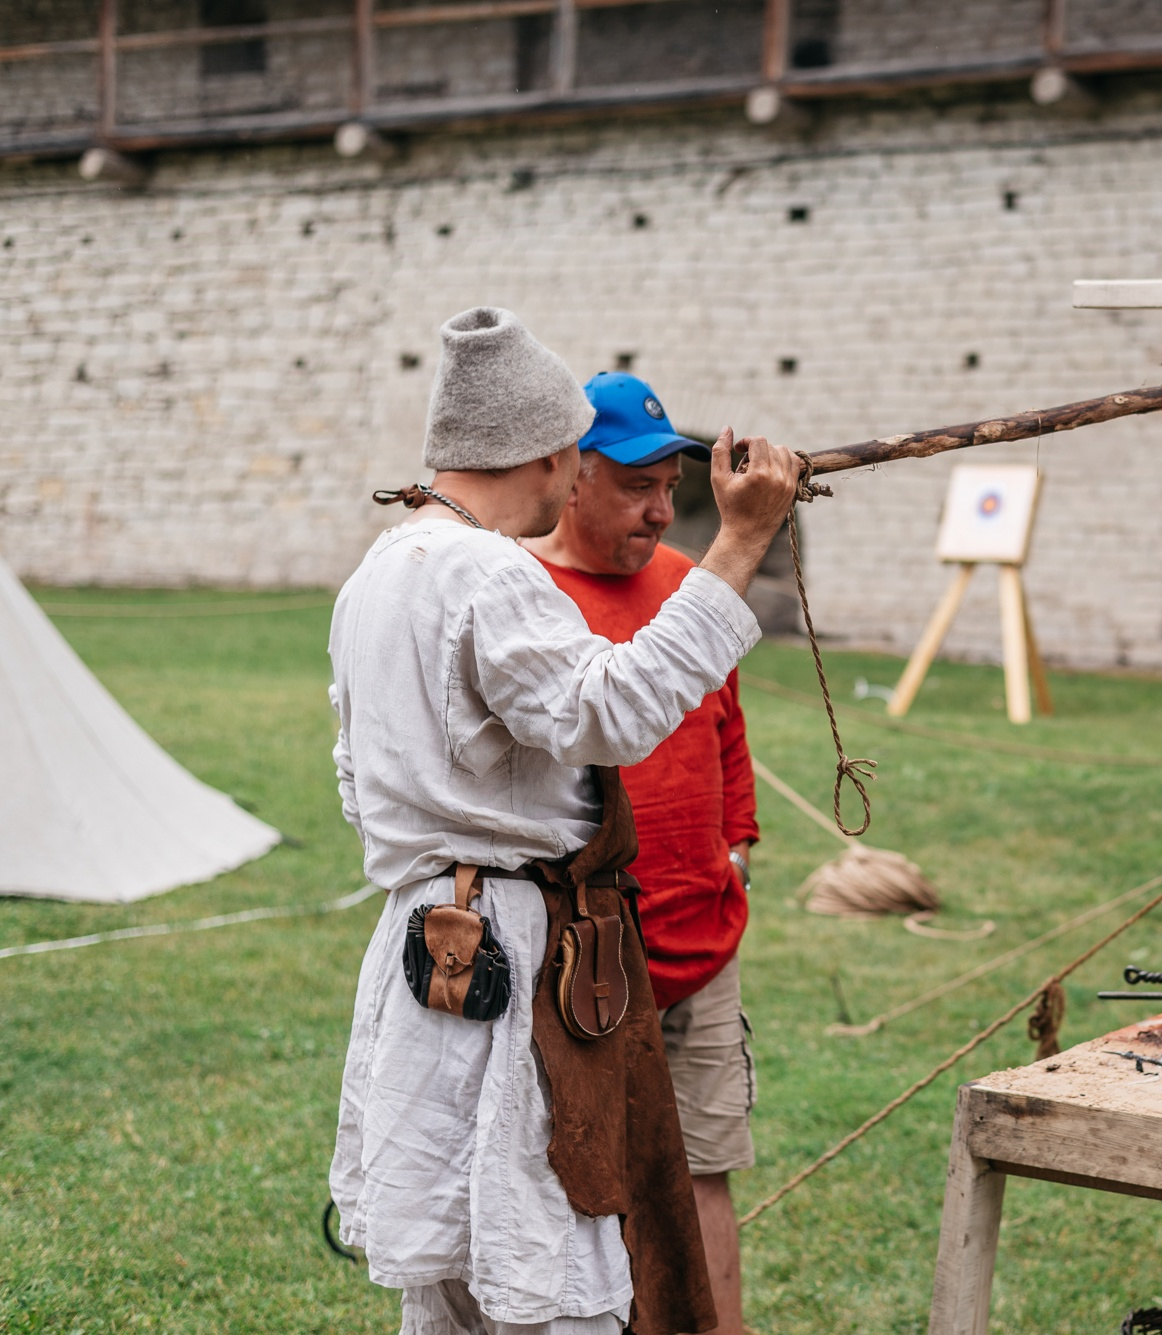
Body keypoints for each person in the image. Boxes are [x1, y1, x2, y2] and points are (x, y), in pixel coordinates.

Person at [327, 307, 799, 1335]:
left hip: (421, 936)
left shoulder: (379, 569)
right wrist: (743, 541)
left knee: (454, 1262)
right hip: (515, 950)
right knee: (544, 1262)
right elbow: (615, 713)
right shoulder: (486, 569)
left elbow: (354, 778)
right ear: (548, 454)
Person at [523, 372, 761, 1335]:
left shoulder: (687, 585)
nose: (664, 511)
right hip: (579, 966)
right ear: (571, 474)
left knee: (704, 1175)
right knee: (577, 1188)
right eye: (637, 486)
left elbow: (726, 727)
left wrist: (736, 845)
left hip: (701, 947)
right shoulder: (522, 593)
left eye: (672, 485)